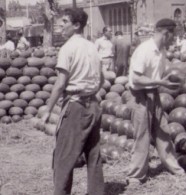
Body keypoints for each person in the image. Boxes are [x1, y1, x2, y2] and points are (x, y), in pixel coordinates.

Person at [40, 8, 104, 195]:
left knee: (63, 158)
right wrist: (90, 92)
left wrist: (47, 110)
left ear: (76, 25)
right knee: (94, 156)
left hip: (76, 107)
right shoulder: (92, 46)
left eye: (65, 22)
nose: (60, 25)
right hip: (94, 105)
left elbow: (60, 85)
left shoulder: (67, 48)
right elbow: (101, 79)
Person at [126, 18, 185, 188]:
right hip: (139, 96)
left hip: (154, 94)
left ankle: (174, 168)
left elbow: (159, 76)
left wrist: (170, 78)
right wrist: (160, 83)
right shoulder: (145, 50)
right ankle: (135, 176)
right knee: (142, 136)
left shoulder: (162, 51)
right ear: (166, 33)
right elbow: (136, 78)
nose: (174, 39)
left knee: (162, 132)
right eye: (173, 36)